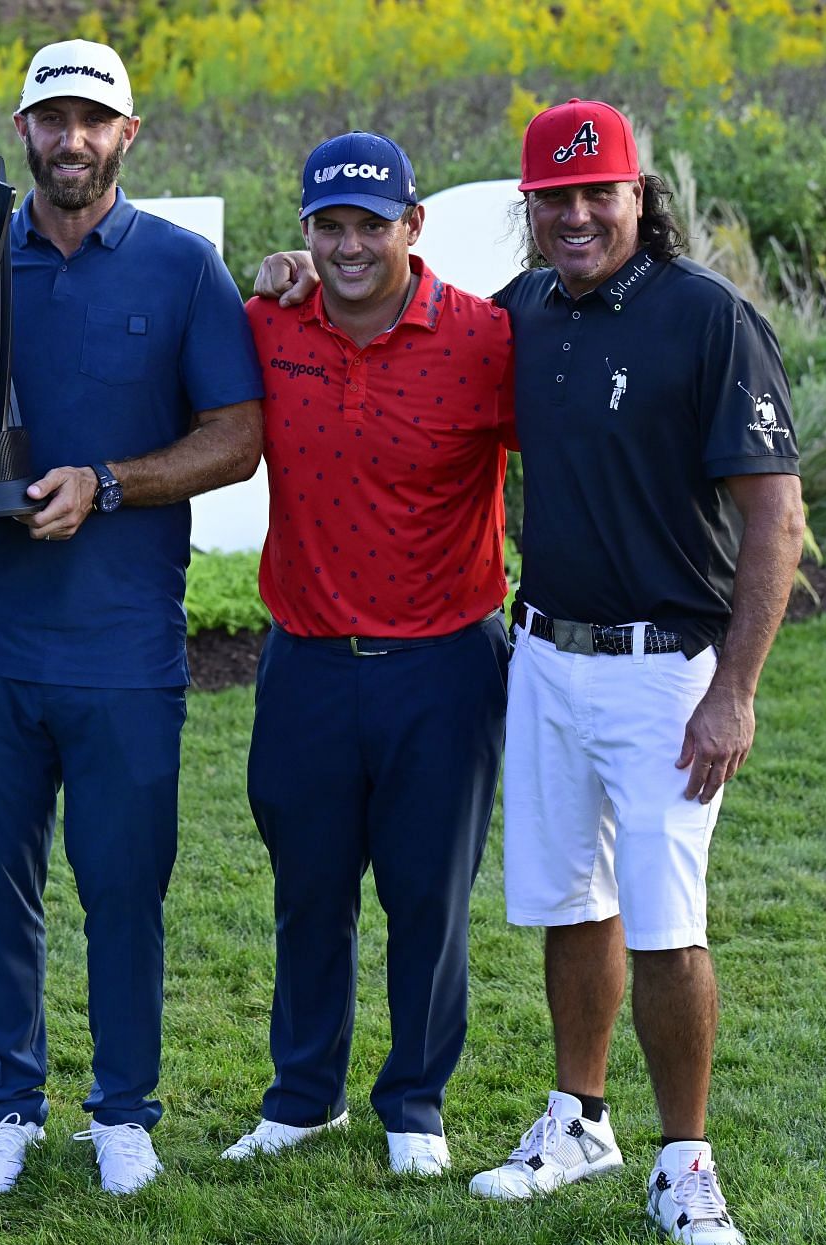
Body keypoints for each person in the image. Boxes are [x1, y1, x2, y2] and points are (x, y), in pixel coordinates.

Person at [254, 98, 804, 1245]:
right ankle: (580, 1117)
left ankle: (686, 1158)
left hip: (667, 668)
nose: (575, 216)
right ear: (527, 210)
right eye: (552, 200)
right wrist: (292, 276)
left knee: (669, 921)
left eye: (597, 193)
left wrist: (736, 687)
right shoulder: (523, 319)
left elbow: (773, 515)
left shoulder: (709, 320)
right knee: (569, 902)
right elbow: (404, 323)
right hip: (546, 655)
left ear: (638, 197)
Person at [0, 39, 265, 1199]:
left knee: (122, 886)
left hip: (125, 647)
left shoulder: (181, 267)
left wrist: (108, 482)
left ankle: (124, 1110)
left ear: (128, 134)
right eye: (51, 120)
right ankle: (9, 1107)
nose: (71, 140)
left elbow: (238, 434)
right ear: (23, 132)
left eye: (92, 121)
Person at [218, 133, 514, 1179]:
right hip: (305, 655)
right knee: (308, 887)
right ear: (303, 231)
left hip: (443, 660)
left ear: (413, 226)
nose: (349, 246)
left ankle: (416, 1104)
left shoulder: (482, 339)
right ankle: (304, 1097)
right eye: (328, 227)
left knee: (428, 894)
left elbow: (573, 456)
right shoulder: (266, 324)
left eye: (371, 226)